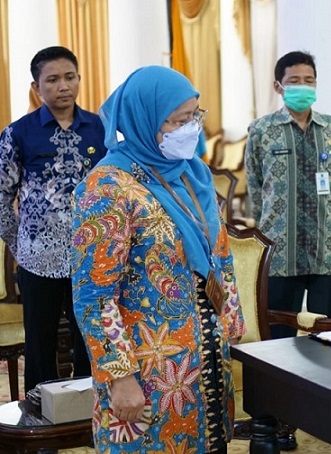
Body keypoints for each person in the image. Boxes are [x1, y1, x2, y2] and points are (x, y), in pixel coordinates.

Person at [71, 66, 245, 453]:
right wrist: (120, 376)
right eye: (179, 120)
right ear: (145, 119)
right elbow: (94, 296)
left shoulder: (192, 174)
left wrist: (230, 320)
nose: (191, 128)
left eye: (195, 116)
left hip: (206, 367)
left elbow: (219, 254)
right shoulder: (107, 188)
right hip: (146, 376)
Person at [244, 50, 331, 450]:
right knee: (279, 345)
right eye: (294, 81)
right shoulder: (262, 131)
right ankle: (277, 425)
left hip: (327, 252)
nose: (302, 87)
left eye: (309, 80)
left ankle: (328, 421)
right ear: (278, 86)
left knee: (330, 342)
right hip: (280, 254)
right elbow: (256, 191)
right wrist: (271, 230)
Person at [0, 46, 105, 392]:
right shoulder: (18, 133)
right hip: (37, 260)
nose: (63, 86)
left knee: (90, 340)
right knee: (40, 344)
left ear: (79, 79)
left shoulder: (100, 129)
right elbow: (2, 196)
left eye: (70, 77)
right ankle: (40, 413)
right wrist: (19, 245)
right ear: (37, 87)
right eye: (53, 79)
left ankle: (89, 412)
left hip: (89, 257)